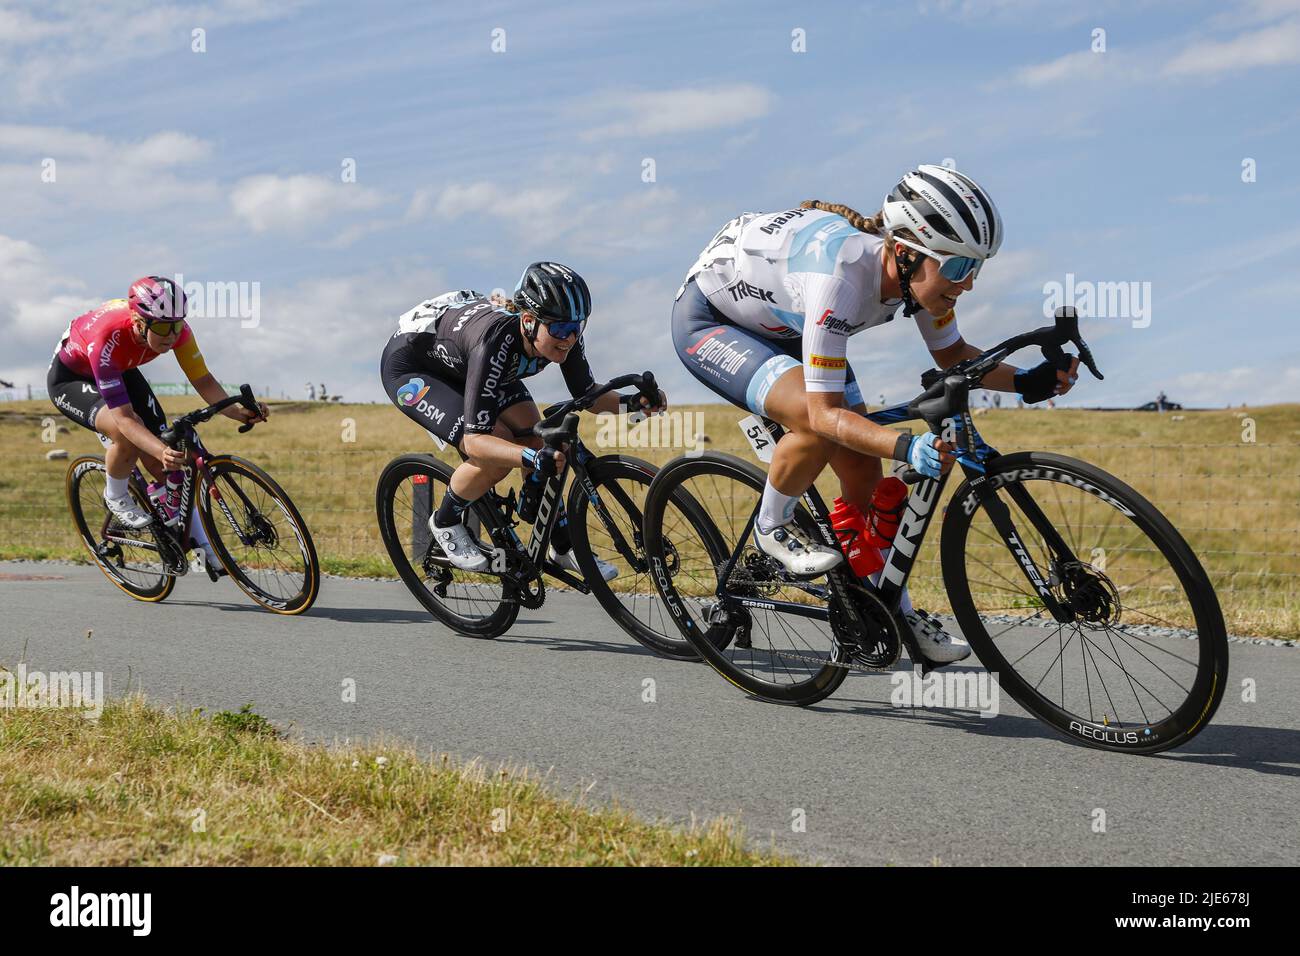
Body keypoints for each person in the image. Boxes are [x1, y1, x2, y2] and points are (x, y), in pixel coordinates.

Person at [671, 164, 1078, 663]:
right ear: (906, 252)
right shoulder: (840, 282)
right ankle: (772, 525)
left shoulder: (919, 278)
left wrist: (1027, 381)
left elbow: (954, 357)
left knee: (863, 468)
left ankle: (890, 609)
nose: (967, 284)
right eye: (957, 268)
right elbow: (823, 415)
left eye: (976, 268)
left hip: (786, 323)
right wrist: (908, 445)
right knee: (817, 425)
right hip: (711, 321)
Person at [382, 262, 667, 577]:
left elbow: (589, 396)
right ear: (529, 322)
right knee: (497, 458)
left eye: (578, 327)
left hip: (468, 365)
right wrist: (530, 458)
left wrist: (634, 405)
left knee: (536, 436)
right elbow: (477, 442)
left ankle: (562, 546)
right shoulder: (494, 341)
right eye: (560, 329)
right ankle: (445, 522)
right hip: (415, 368)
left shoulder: (561, 334)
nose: (570, 338)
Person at [48, 276, 268, 578]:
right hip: (73, 379)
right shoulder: (107, 338)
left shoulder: (176, 330)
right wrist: (159, 448)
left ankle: (203, 548)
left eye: (177, 326)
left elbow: (202, 379)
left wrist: (238, 413)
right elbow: (124, 419)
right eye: (163, 328)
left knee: (165, 460)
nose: (171, 335)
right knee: (127, 434)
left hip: (121, 369)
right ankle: (116, 496)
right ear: (139, 322)